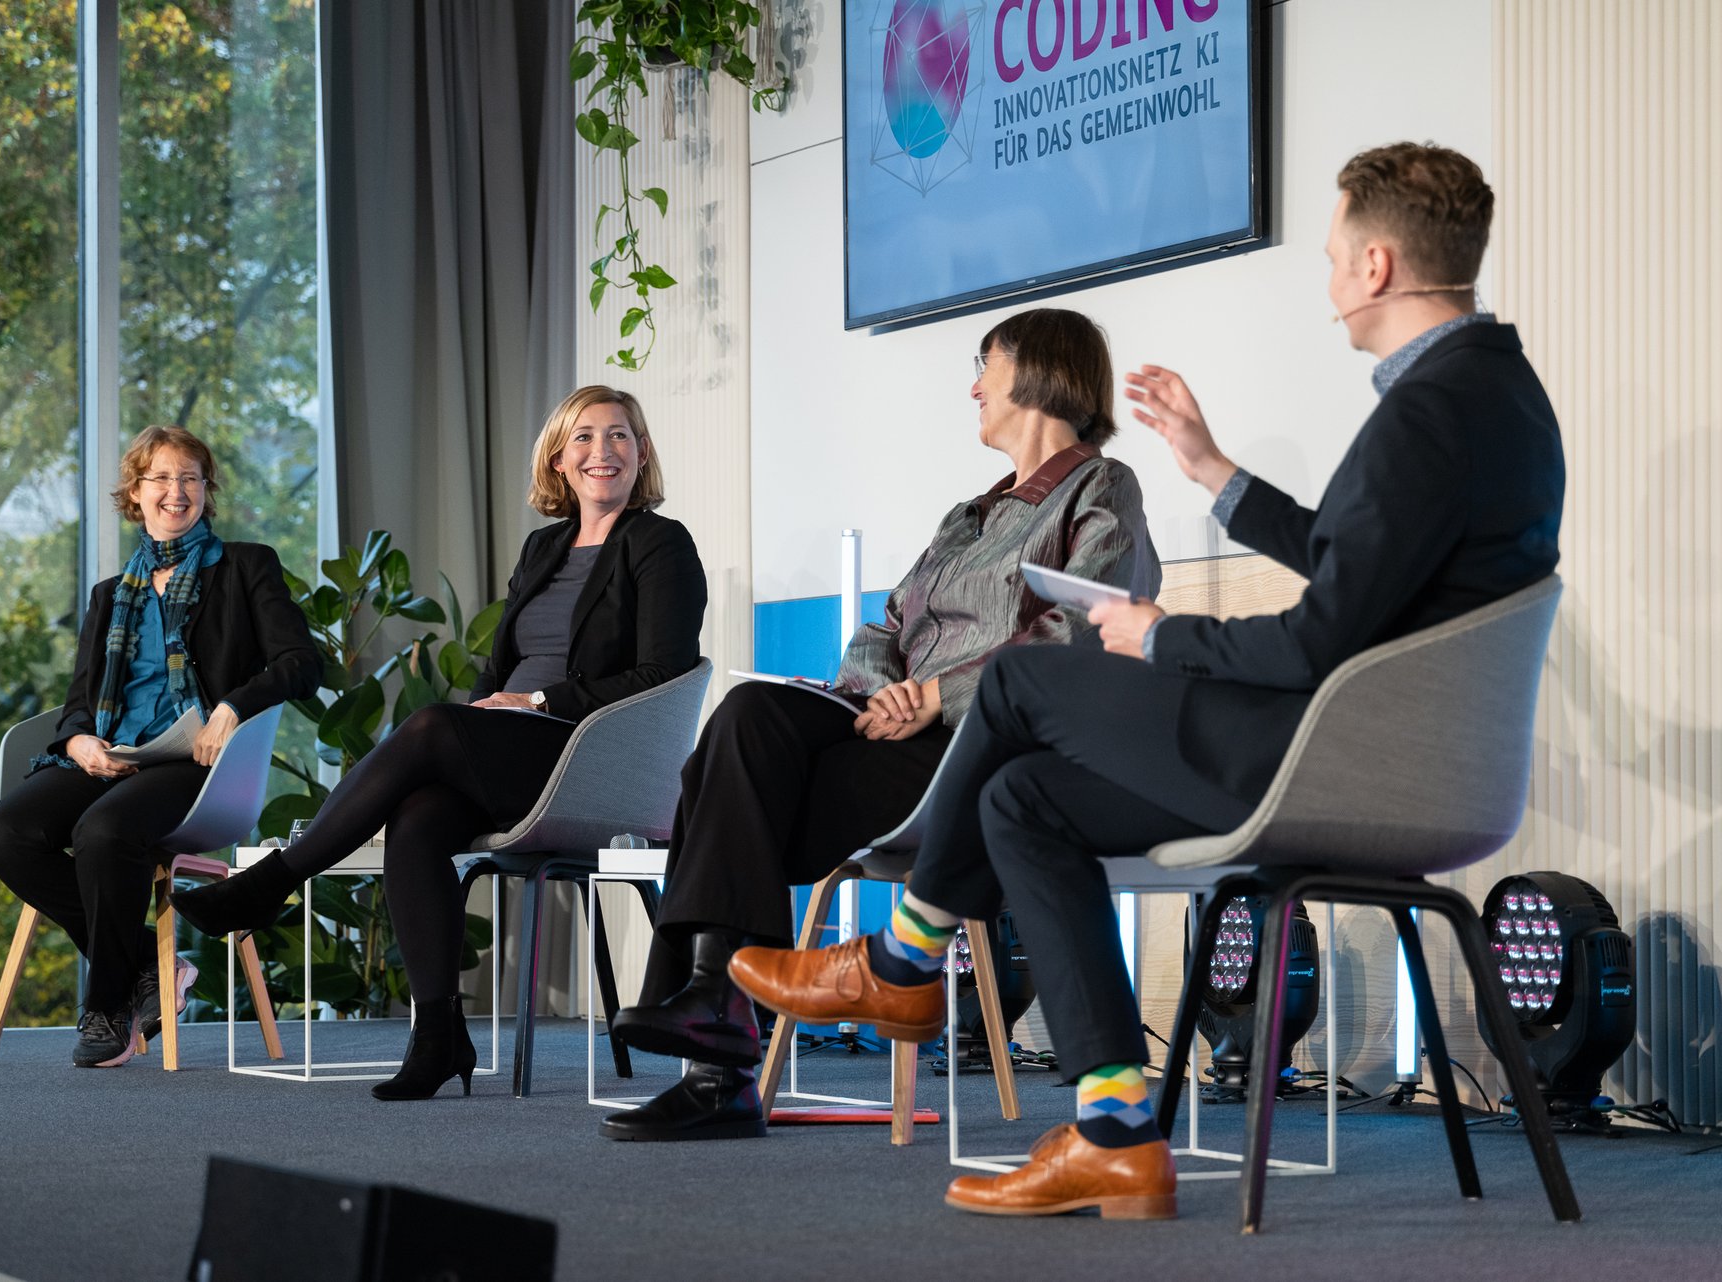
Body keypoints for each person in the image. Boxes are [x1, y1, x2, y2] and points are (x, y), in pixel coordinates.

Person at [730, 142, 1566, 1217]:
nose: (1324, 286)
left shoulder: (1427, 411)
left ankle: (905, 952)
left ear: (1375, 266)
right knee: (1017, 798)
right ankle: (1116, 1125)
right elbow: (1365, 568)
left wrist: (1160, 633)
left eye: (1328, 260)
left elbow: (1317, 641)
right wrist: (1215, 471)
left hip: (1325, 762)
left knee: (1022, 688)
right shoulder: (1492, 395)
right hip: (1396, 763)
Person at [601, 307, 1162, 1143]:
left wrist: (935, 699)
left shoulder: (1101, 488)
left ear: (1040, 373)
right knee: (748, 719)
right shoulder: (963, 517)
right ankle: (715, 1011)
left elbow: (1078, 632)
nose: (973, 386)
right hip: (890, 729)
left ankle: (719, 1044)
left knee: (730, 783)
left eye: (987, 366)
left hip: (977, 748)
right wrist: (882, 696)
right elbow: (880, 631)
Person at [172, 385, 707, 1101]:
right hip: (515, 748)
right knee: (419, 815)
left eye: (618, 436)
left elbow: (664, 672)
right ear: (557, 456)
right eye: (582, 437)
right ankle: (438, 1035)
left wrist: (541, 700)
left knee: (428, 726)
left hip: (592, 757)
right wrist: (502, 703)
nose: (600, 452)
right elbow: (499, 671)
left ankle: (277, 880)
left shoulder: (658, 543)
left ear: (641, 455)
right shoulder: (544, 546)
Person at [0, 425, 320, 1069]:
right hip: (114, 758)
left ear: (206, 492)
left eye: (189, 478)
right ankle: (144, 962)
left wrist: (233, 706)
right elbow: (80, 699)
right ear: (134, 494)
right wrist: (79, 741)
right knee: (6, 833)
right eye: (160, 478)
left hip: (199, 767)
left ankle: (108, 1006)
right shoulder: (112, 595)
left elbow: (302, 663)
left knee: (104, 831)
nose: (176, 491)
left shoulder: (246, 567)